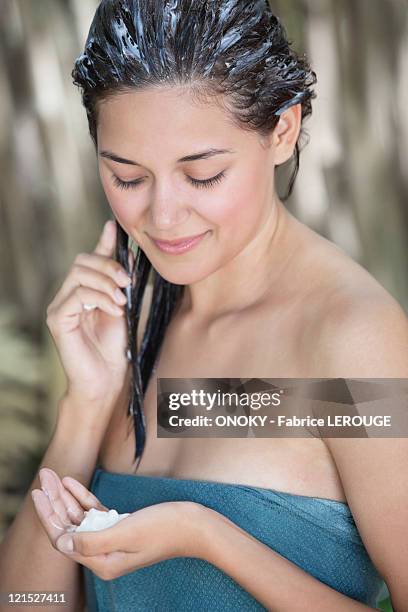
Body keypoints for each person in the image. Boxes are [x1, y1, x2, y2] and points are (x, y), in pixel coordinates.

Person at [1, 1, 407, 610]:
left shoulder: (353, 343)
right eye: (129, 178)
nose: (161, 218)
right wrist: (85, 409)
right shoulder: (129, 328)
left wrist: (208, 536)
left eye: (204, 175)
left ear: (283, 130)